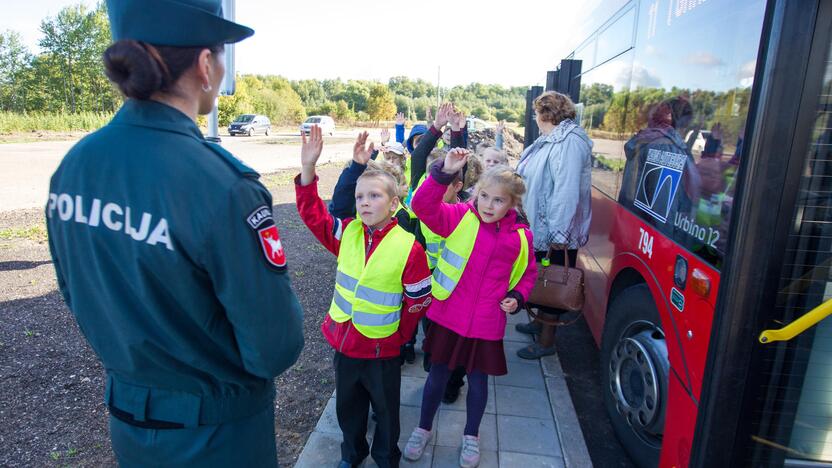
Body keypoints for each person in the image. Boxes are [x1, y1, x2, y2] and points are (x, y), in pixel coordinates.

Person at [44, 1, 304, 466]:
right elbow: (273, 348)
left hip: (129, 423)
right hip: (218, 438)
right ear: (206, 66)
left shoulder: (75, 166)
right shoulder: (223, 187)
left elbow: (77, 293)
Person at [295, 126, 431, 468]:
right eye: (360, 198)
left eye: (374, 197)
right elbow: (313, 213)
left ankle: (386, 458)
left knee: (386, 413)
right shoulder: (348, 234)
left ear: (394, 203)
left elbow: (418, 299)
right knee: (348, 410)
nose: (365, 203)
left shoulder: (408, 247)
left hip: (383, 349)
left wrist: (400, 337)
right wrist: (309, 169)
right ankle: (352, 454)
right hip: (345, 345)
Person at [404, 148, 537, 467]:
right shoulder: (460, 216)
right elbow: (421, 205)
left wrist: (517, 297)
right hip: (449, 315)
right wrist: (443, 171)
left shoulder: (521, 237)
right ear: (475, 193)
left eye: (498, 200)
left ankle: (471, 435)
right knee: (436, 377)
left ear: (512, 204)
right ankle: (422, 429)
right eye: (484, 196)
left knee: (479, 383)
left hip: (487, 324)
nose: (488, 205)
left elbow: (529, 273)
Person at [514, 91, 592, 359]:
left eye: (536, 112)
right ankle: (538, 324)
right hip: (543, 228)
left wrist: (558, 233)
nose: (535, 118)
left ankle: (547, 342)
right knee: (541, 278)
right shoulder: (551, 140)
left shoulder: (569, 143)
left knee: (553, 280)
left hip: (556, 234)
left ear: (545, 113)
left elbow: (566, 191)